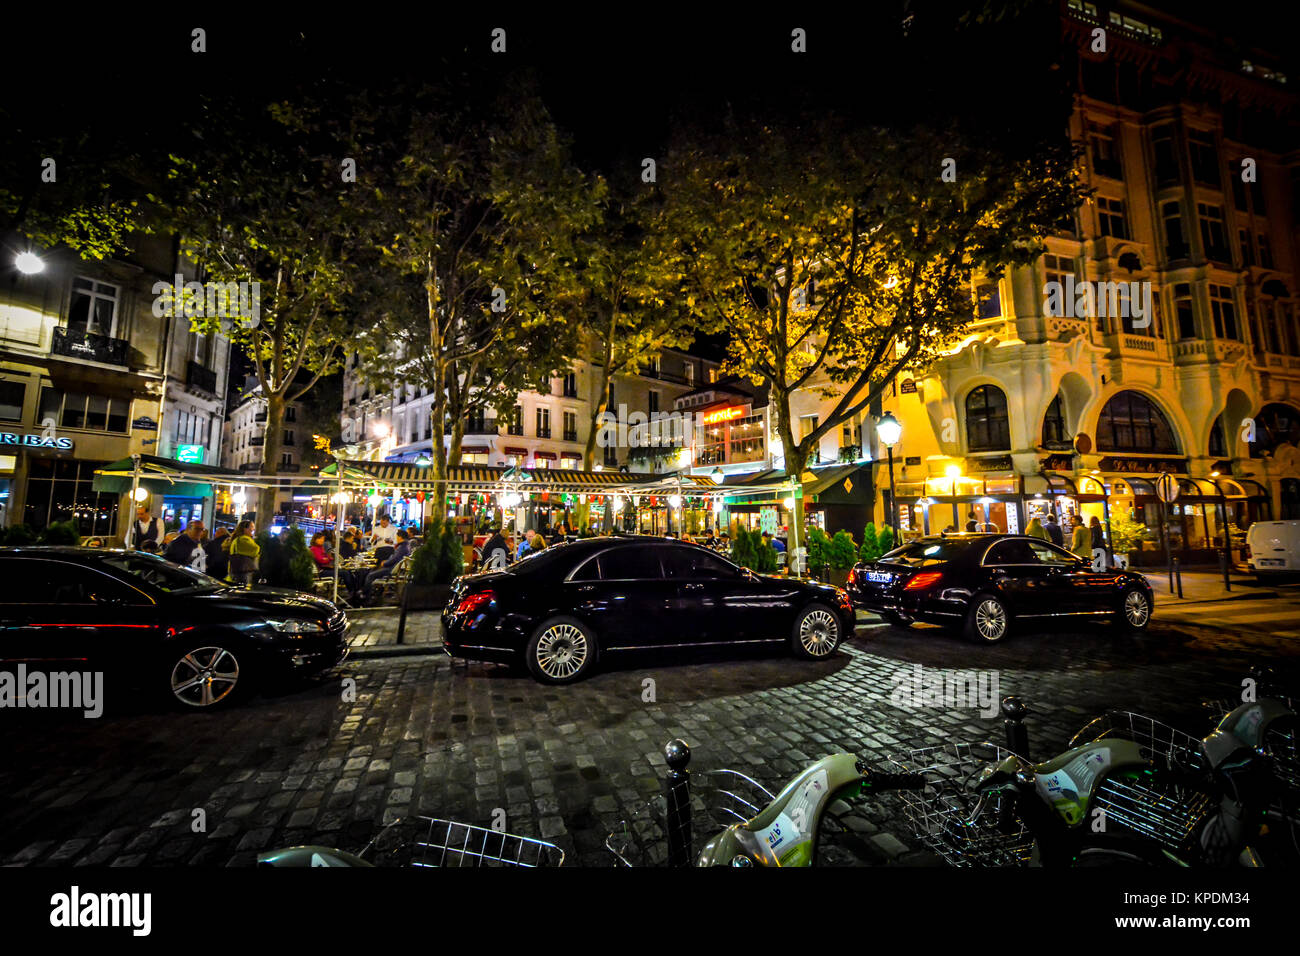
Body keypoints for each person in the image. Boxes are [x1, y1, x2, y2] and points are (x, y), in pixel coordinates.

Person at [363, 529, 413, 602]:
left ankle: (366, 597)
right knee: (372, 571)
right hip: (394, 568)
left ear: (400, 537)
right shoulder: (405, 546)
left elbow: (394, 559)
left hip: (391, 569)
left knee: (370, 575)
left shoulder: (402, 547)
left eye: (397, 536)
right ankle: (374, 593)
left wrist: (385, 563)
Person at [310, 531, 359, 600]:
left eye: (323, 539)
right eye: (320, 539)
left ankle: (354, 590)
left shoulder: (320, 548)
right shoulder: (314, 549)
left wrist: (326, 558)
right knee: (345, 573)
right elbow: (321, 560)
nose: (322, 541)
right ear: (315, 539)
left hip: (326, 568)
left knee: (347, 572)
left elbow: (329, 558)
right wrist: (327, 559)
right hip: (322, 572)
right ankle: (352, 592)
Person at [227, 520, 260, 588]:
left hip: (237, 569)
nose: (253, 529)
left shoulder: (238, 539)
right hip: (243, 570)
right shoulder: (243, 539)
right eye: (251, 527)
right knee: (243, 588)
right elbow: (255, 549)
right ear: (245, 529)